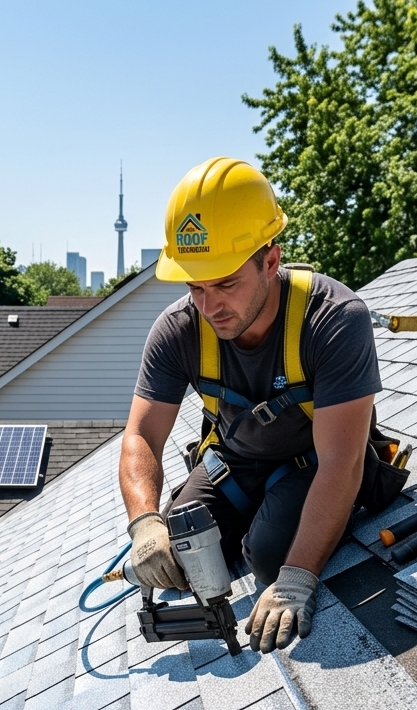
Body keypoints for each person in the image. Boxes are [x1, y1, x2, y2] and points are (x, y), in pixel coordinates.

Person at [119, 156, 381, 653]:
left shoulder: (334, 320)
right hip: (236, 461)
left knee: (269, 556)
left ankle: (279, 533)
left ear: (270, 261)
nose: (208, 305)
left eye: (225, 283)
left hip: (316, 462)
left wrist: (298, 577)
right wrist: (145, 522)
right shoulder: (179, 331)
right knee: (182, 551)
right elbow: (140, 437)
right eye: (194, 286)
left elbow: (342, 462)